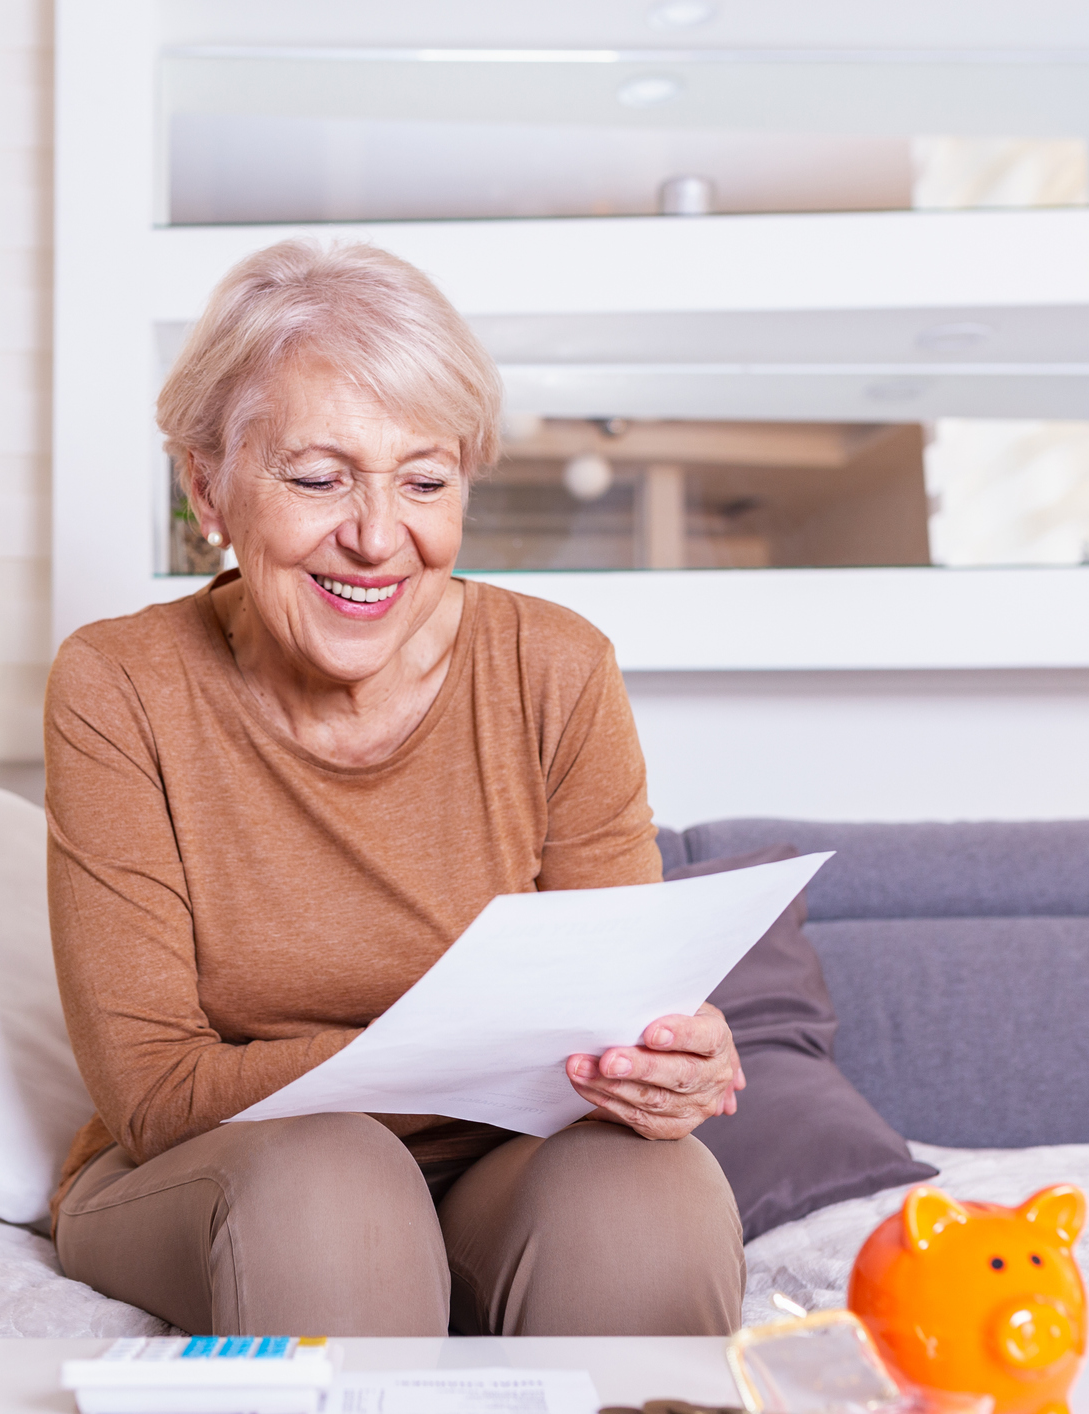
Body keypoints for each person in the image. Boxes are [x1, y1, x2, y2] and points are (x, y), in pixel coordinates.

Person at [45, 238, 745, 1338]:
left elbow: (611, 1012)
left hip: (499, 1172)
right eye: (318, 478)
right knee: (337, 1183)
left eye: (424, 481)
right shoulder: (119, 684)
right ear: (206, 485)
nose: (376, 538)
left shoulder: (556, 668)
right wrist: (461, 1047)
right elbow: (154, 1090)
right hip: (219, 1170)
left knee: (649, 1194)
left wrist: (659, 1065)